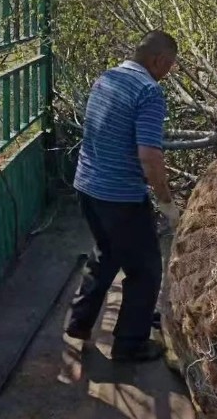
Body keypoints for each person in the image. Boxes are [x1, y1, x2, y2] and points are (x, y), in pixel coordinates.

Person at [64, 30, 180, 362]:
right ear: (158, 60)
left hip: (87, 185)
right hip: (120, 196)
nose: (168, 72)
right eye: (169, 65)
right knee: (146, 270)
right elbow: (149, 157)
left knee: (106, 253)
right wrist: (166, 202)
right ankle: (130, 344)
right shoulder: (148, 91)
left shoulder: (108, 78)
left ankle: (79, 321)